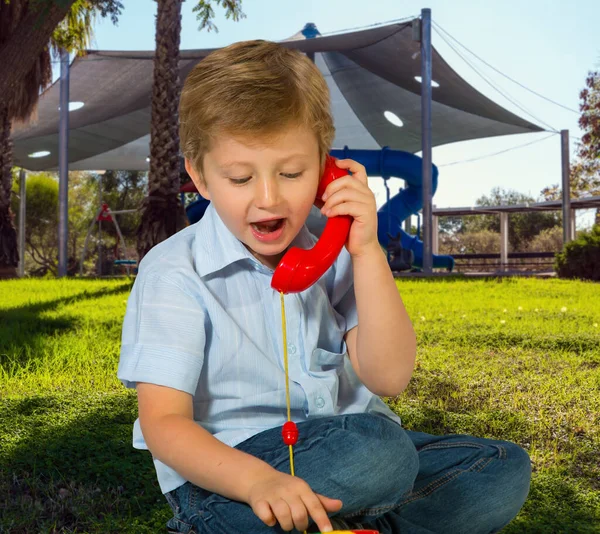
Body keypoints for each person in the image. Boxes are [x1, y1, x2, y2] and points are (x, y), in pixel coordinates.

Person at [117, 39, 531, 534]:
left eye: (291, 173)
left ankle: (339, 525)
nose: (268, 198)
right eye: (240, 178)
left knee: (501, 469)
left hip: (353, 450)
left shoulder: (336, 252)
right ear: (201, 177)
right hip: (233, 470)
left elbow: (389, 377)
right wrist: (256, 482)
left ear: (324, 169)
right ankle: (223, 522)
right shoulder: (174, 271)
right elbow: (164, 425)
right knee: (380, 455)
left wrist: (366, 253)